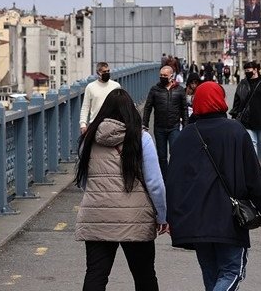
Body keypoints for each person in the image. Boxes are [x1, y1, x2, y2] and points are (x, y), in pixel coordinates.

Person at [166, 82, 261, 291]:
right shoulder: (235, 131)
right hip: (229, 218)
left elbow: (173, 182)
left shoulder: (186, 136)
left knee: (211, 273)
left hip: (196, 219)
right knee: (232, 272)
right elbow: (253, 176)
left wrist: (171, 217)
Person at [75, 89, 168, 291]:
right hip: (134, 216)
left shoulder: (88, 139)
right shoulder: (141, 138)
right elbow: (154, 183)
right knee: (144, 274)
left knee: (96, 274)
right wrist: (162, 216)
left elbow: (84, 181)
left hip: (97, 214)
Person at [231, 61, 261, 175]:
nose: (247, 72)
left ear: (255, 70)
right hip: (247, 119)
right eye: (246, 71)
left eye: (249, 70)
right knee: (252, 142)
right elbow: (237, 100)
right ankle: (255, 167)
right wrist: (234, 115)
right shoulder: (242, 84)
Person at [142, 65, 187, 173]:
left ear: (171, 76)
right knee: (161, 156)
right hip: (159, 128)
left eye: (165, 75)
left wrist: (186, 125)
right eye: (161, 75)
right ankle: (165, 178)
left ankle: (174, 174)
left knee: (175, 152)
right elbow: (148, 107)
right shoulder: (154, 90)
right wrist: (145, 124)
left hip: (174, 127)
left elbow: (184, 109)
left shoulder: (180, 90)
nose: (162, 77)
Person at [80, 63, 121, 135]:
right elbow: (85, 107)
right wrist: (83, 124)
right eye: (104, 72)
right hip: (95, 124)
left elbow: (121, 104)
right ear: (98, 73)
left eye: (108, 71)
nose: (107, 73)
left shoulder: (116, 86)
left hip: (113, 123)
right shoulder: (90, 87)